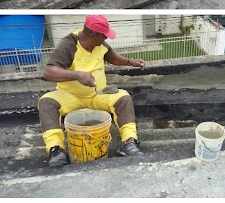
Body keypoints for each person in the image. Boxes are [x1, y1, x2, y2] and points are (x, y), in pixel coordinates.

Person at [38, 15, 146, 168]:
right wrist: (77, 75)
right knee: (46, 101)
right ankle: (56, 150)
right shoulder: (68, 45)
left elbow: (113, 58)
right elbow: (49, 72)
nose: (105, 39)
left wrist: (130, 62)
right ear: (93, 35)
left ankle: (129, 143)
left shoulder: (100, 45)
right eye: (103, 36)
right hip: (71, 96)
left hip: (98, 95)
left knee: (123, 97)